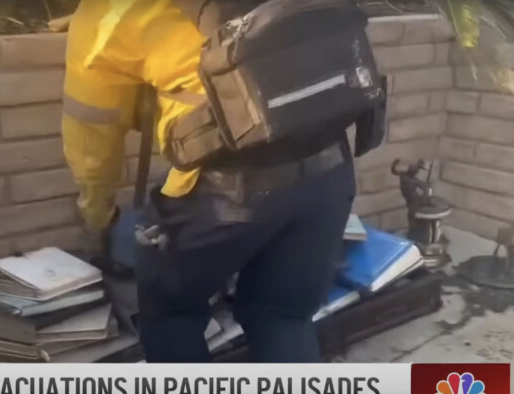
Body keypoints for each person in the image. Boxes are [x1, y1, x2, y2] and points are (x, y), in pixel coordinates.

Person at [62, 0, 355, 368]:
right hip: (328, 172)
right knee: (283, 317)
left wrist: (97, 212)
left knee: (172, 314)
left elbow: (91, 144)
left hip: (226, 192)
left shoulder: (108, 17)